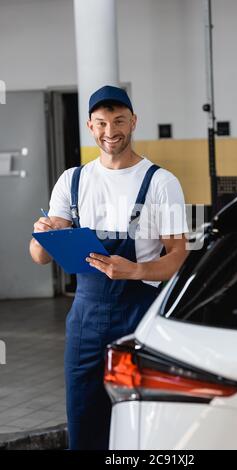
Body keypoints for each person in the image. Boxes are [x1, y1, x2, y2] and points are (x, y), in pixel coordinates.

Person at [29, 85, 189, 450]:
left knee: (142, 417)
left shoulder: (162, 183)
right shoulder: (72, 181)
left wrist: (134, 270)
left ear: (133, 121)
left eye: (118, 121)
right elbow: (39, 257)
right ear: (89, 125)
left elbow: (180, 257)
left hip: (140, 317)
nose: (110, 131)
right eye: (101, 122)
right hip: (85, 318)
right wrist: (41, 235)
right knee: (84, 416)